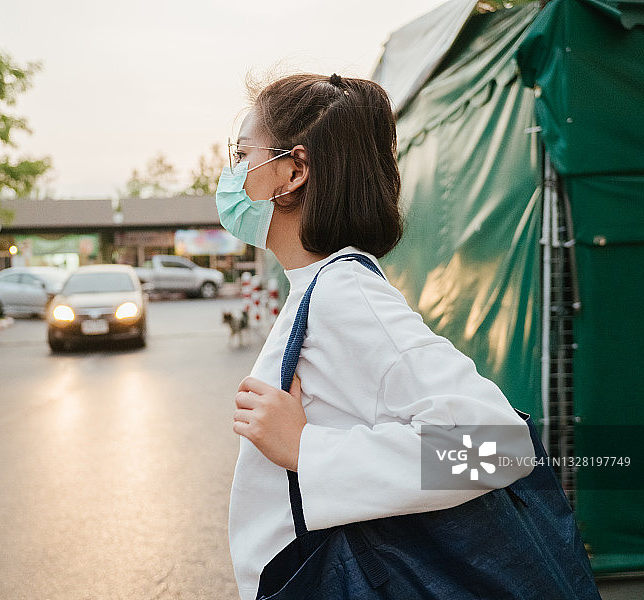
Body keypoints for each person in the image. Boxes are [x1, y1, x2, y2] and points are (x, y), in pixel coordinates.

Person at [217, 73, 536, 600]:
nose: (231, 174)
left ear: (293, 171)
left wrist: (307, 449)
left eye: (241, 153)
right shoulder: (321, 286)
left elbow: (498, 448)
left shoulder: (344, 295)